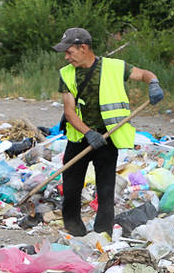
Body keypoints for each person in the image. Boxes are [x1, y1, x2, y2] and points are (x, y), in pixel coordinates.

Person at [53, 27, 164, 236]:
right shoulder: (67, 74)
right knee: (70, 187)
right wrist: (88, 133)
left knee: (106, 189)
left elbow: (144, 74)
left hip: (107, 137)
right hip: (80, 137)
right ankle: (74, 229)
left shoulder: (115, 67)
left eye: (69, 52)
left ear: (83, 48)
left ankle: (103, 232)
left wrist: (154, 83)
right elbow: (69, 112)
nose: (66, 57)